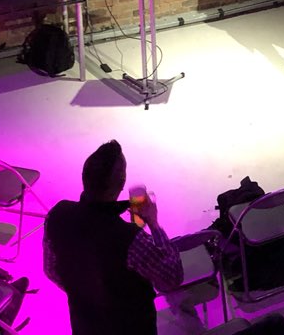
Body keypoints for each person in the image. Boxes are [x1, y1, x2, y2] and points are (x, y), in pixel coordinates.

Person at [43, 140, 184, 335]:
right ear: (121, 182)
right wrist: (153, 223)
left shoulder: (57, 214)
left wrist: (84, 290)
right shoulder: (130, 239)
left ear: (85, 177)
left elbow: (51, 270)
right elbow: (172, 278)